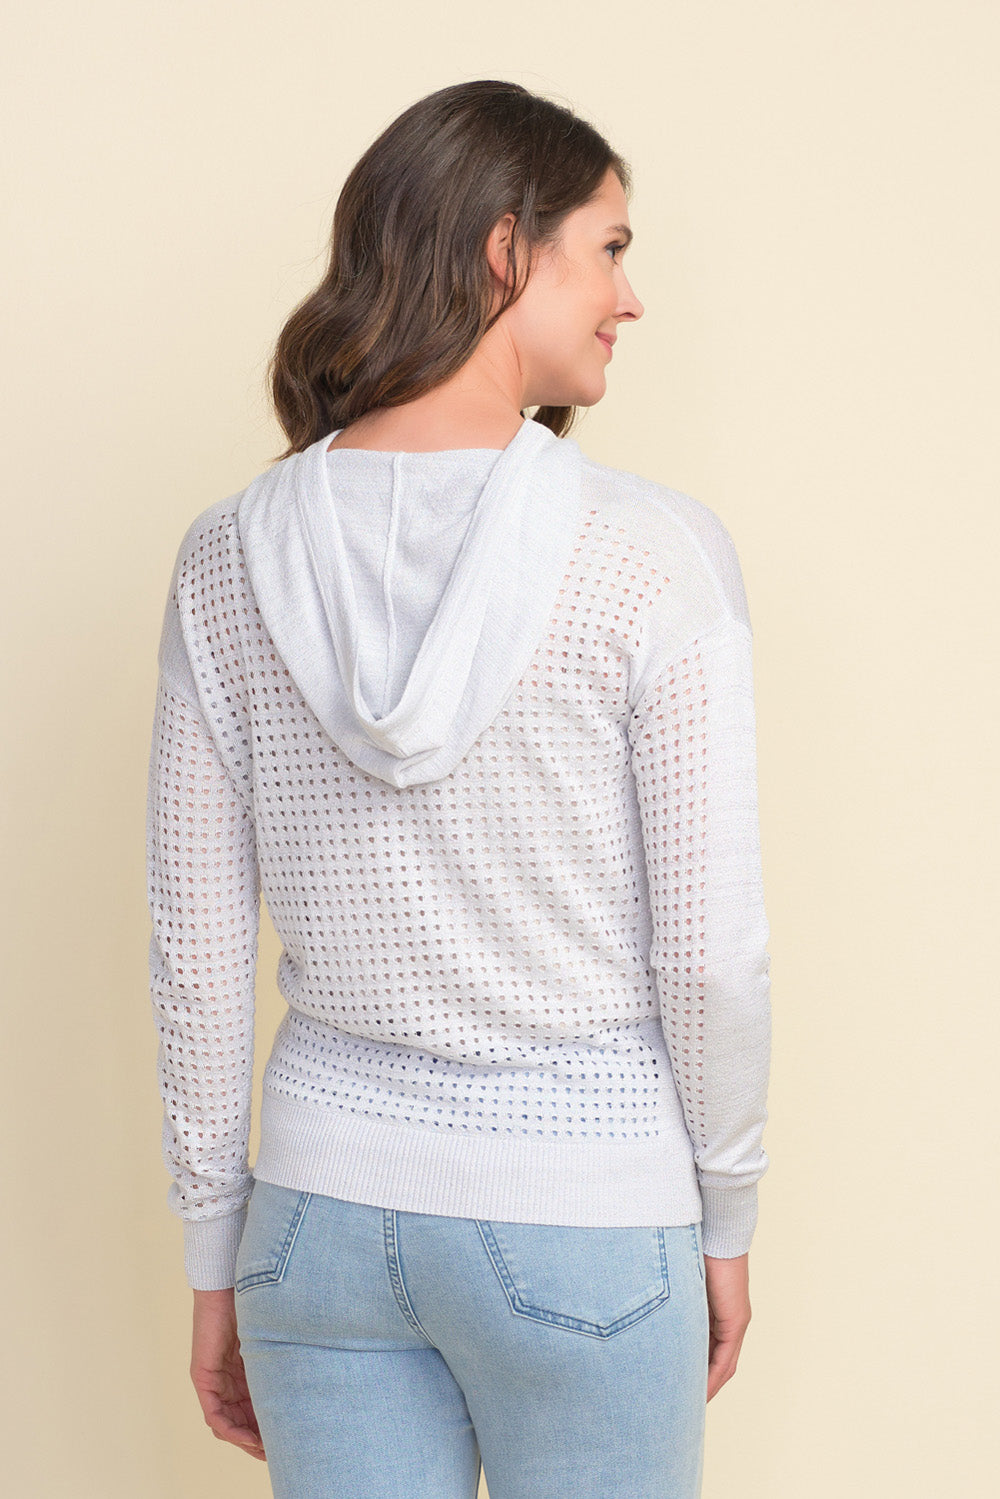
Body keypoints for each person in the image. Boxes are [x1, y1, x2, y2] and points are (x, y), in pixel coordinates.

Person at [145, 78, 772, 1499]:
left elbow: (196, 953)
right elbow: (711, 955)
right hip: (587, 1211)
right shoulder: (651, 553)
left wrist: (213, 1249)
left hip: (316, 1224)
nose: (630, 299)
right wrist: (725, 1213)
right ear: (505, 250)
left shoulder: (226, 557)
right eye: (608, 250)